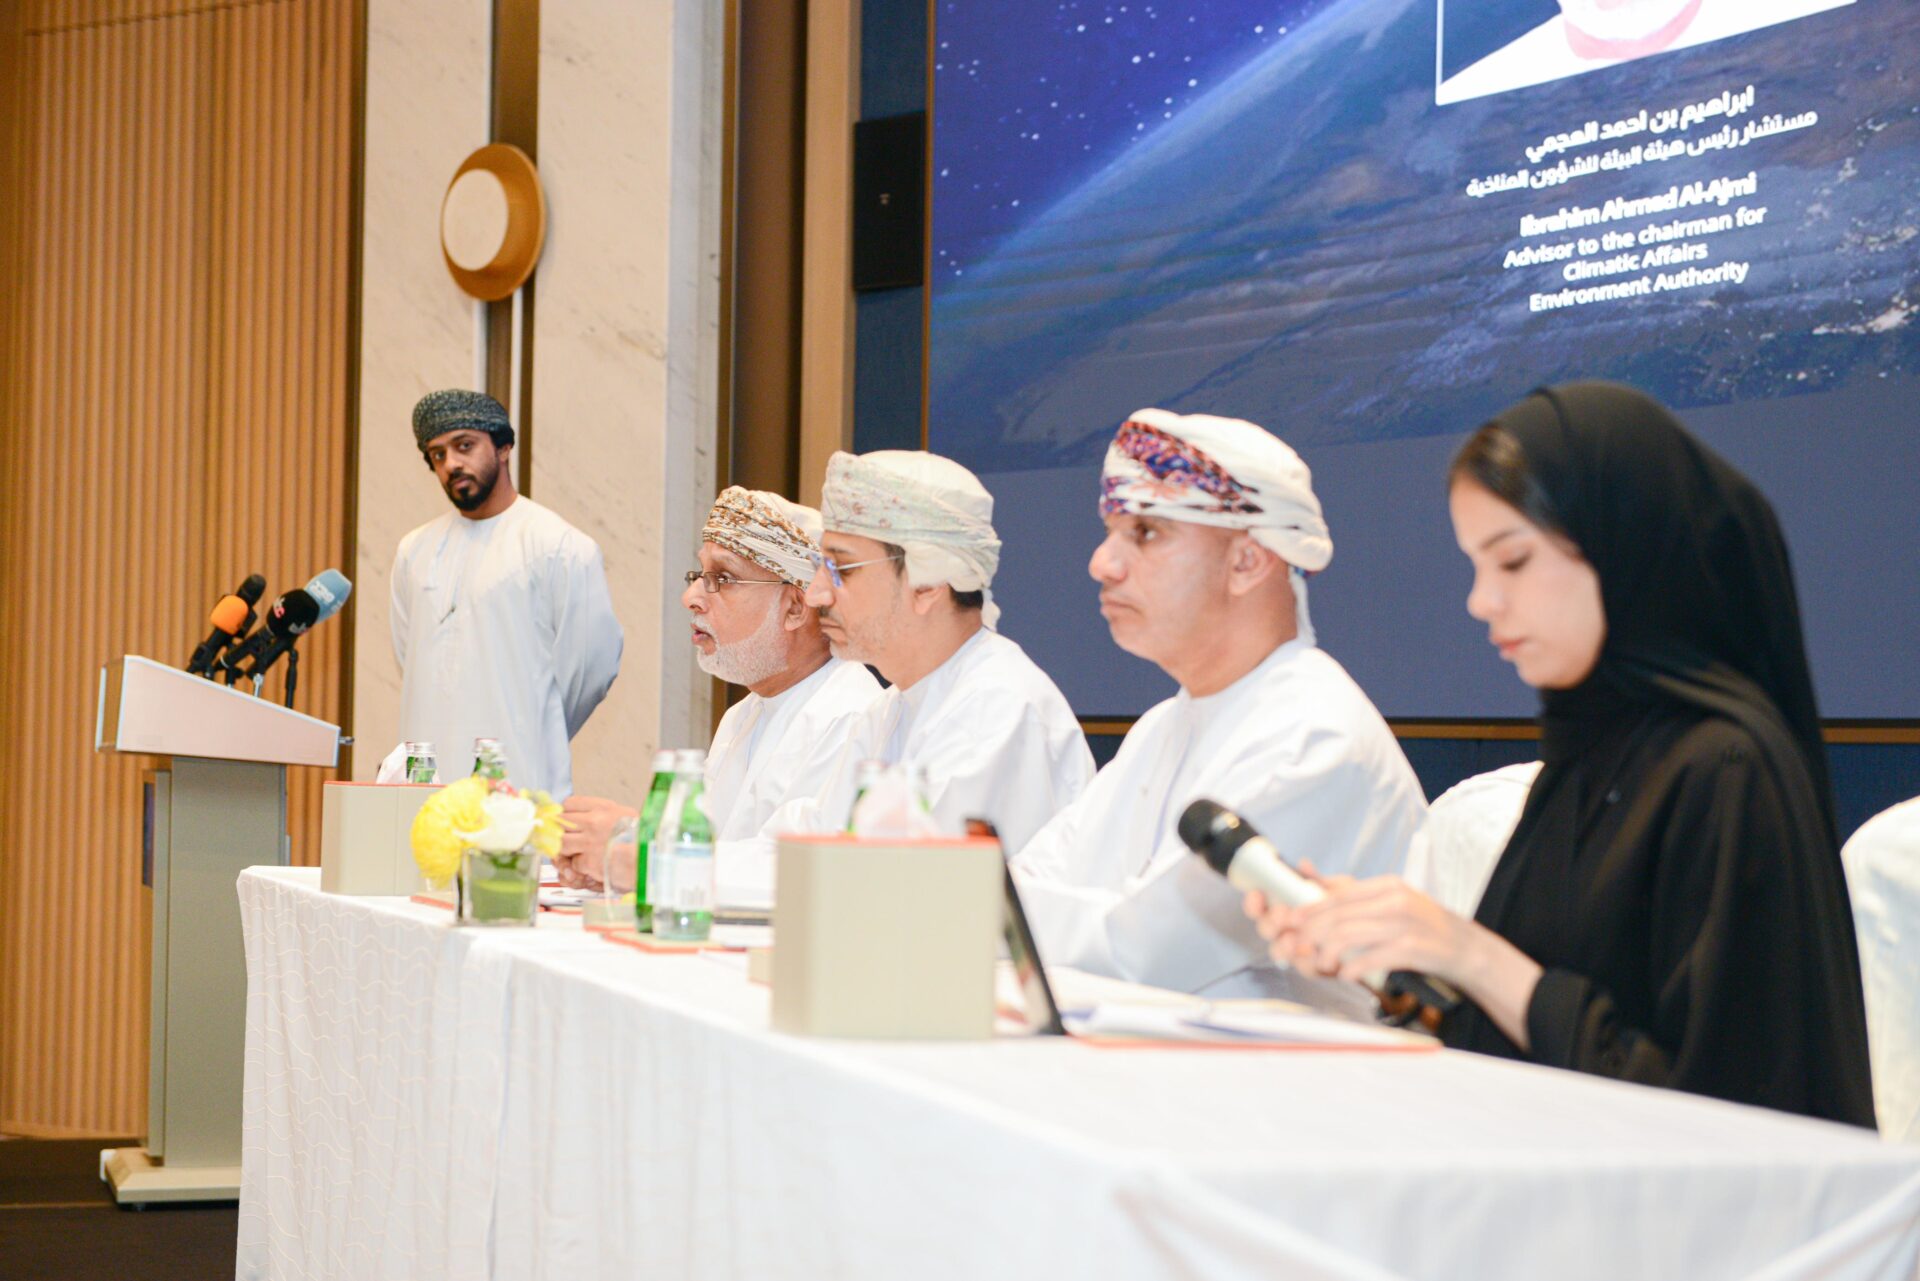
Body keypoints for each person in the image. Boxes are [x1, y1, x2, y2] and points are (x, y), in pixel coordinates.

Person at [1246, 381, 1874, 1124]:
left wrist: (1472, 953)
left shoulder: (1726, 771)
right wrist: (1391, 955)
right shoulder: (1589, 758)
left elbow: (1722, 1119)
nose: (1481, 601)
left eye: (1512, 561)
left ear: (1624, 547)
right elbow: (1529, 1043)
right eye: (1476, 566)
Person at [1011, 409, 1426, 999]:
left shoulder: (1313, 739)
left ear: (1246, 562)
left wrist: (974, 905)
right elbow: (1033, 877)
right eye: (1110, 531)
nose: (1102, 563)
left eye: (1146, 533)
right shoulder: (1163, 726)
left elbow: (1141, 958)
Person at [554, 487, 881, 890]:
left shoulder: (851, 718)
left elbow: (796, 876)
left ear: (796, 607)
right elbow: (708, 851)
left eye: (722, 578)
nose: (690, 597)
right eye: (699, 575)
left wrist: (641, 856)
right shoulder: (743, 716)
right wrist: (619, 867)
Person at [776, 449, 1094, 851]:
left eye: (841, 569)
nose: (816, 593)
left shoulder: (997, 710)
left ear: (927, 586)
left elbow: (916, 878)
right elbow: (816, 838)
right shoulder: (891, 708)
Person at [391, 390, 623, 798]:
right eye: (438, 454)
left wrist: (534, 725)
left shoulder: (559, 546)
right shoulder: (414, 551)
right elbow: (408, 659)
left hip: (520, 787)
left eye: (464, 446)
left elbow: (590, 668)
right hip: (425, 790)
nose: (452, 464)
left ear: (503, 447)